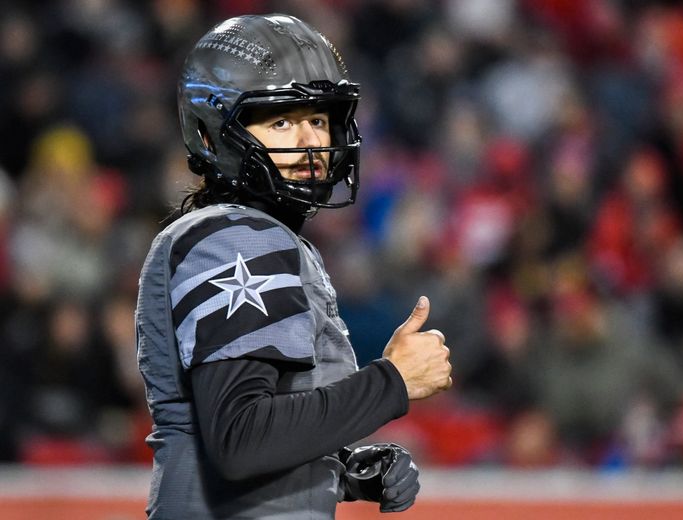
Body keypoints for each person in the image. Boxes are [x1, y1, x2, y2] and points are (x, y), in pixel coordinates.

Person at [135, 13, 452, 519]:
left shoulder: (240, 233)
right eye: (281, 120)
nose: (310, 141)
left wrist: (338, 465)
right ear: (215, 133)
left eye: (319, 119)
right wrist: (392, 382)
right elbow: (241, 439)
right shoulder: (239, 236)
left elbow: (247, 431)